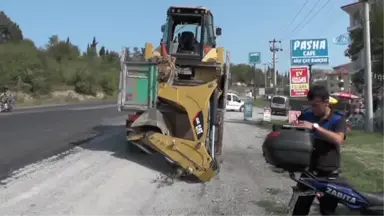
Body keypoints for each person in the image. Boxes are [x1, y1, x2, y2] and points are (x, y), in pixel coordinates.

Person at [292, 85, 347, 216]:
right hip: (309, 171)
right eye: (311, 105)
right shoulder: (306, 115)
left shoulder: (338, 119)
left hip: (329, 173)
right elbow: (295, 134)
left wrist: (315, 128)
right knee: (299, 209)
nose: (313, 109)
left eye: (316, 105)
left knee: (327, 211)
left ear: (326, 102)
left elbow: (338, 139)